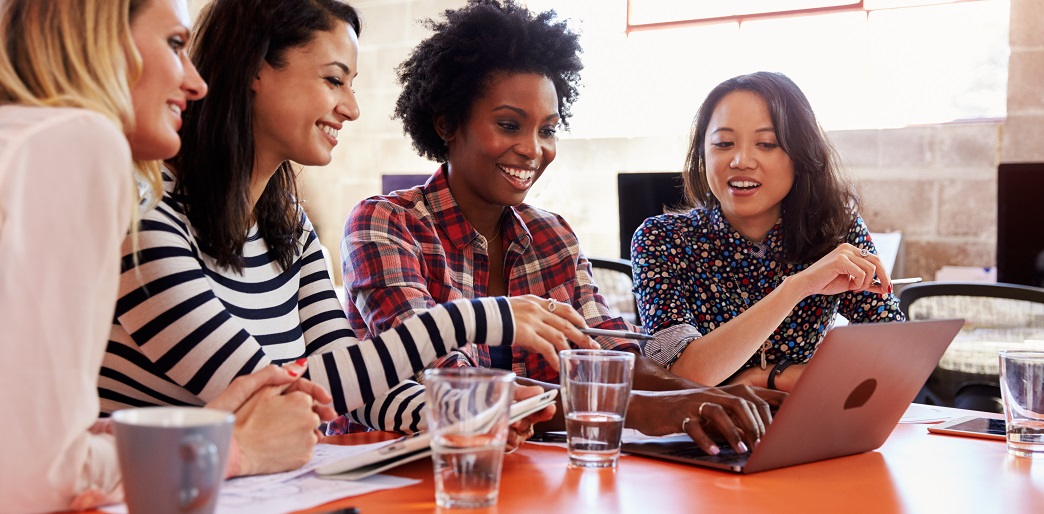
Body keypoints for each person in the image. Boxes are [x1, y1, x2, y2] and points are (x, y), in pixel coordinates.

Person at [99, 0, 585, 456]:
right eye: (334, 81)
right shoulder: (144, 212)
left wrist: (468, 410)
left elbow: (354, 389)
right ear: (254, 69)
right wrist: (480, 317)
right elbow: (266, 393)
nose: (351, 108)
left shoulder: (288, 226)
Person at [342, 0, 783, 456]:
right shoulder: (386, 225)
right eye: (509, 124)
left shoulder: (552, 237)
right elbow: (451, 386)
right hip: (402, 477)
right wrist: (644, 410)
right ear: (447, 122)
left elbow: (608, 353)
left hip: (527, 476)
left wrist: (699, 397)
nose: (533, 150)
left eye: (548, 130)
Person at [0, 0, 341, 511]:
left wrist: (169, 434)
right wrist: (229, 448)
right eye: (176, 45)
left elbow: (35, 436)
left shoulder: (28, 138)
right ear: (101, 40)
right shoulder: (76, 144)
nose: (196, 82)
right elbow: (36, 476)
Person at [630, 71, 906, 392]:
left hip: (808, 428)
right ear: (703, 153)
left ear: (800, 155)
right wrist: (796, 288)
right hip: (704, 434)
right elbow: (678, 376)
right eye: (723, 143)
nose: (741, 160)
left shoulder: (835, 231)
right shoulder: (662, 239)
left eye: (767, 143)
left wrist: (770, 376)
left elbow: (896, 361)